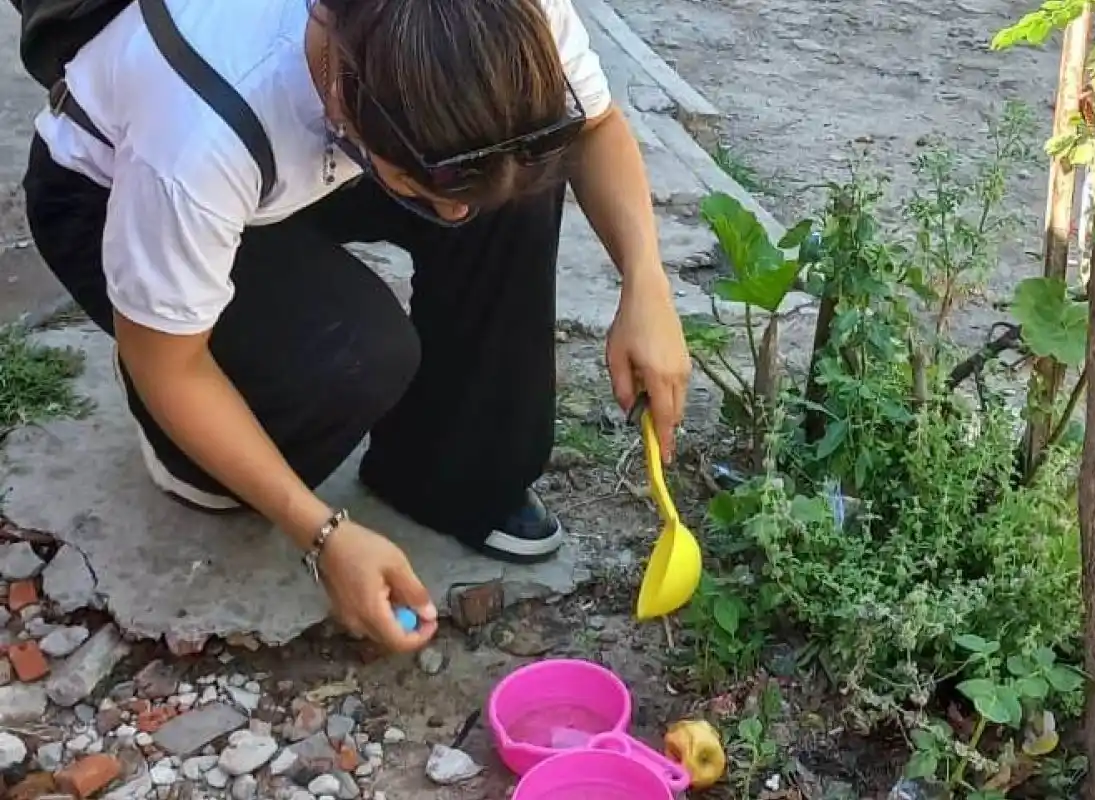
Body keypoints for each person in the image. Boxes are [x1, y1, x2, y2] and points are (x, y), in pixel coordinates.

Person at [20, 0, 692, 653]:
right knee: (356, 355)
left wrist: (646, 285)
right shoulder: (199, 131)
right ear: (343, 104)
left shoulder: (504, 21)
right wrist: (321, 534)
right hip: (109, 193)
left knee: (513, 184)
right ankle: (172, 408)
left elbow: (594, 128)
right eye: (428, 190)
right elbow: (173, 365)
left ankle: (443, 477)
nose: (455, 220)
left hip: (313, 161)